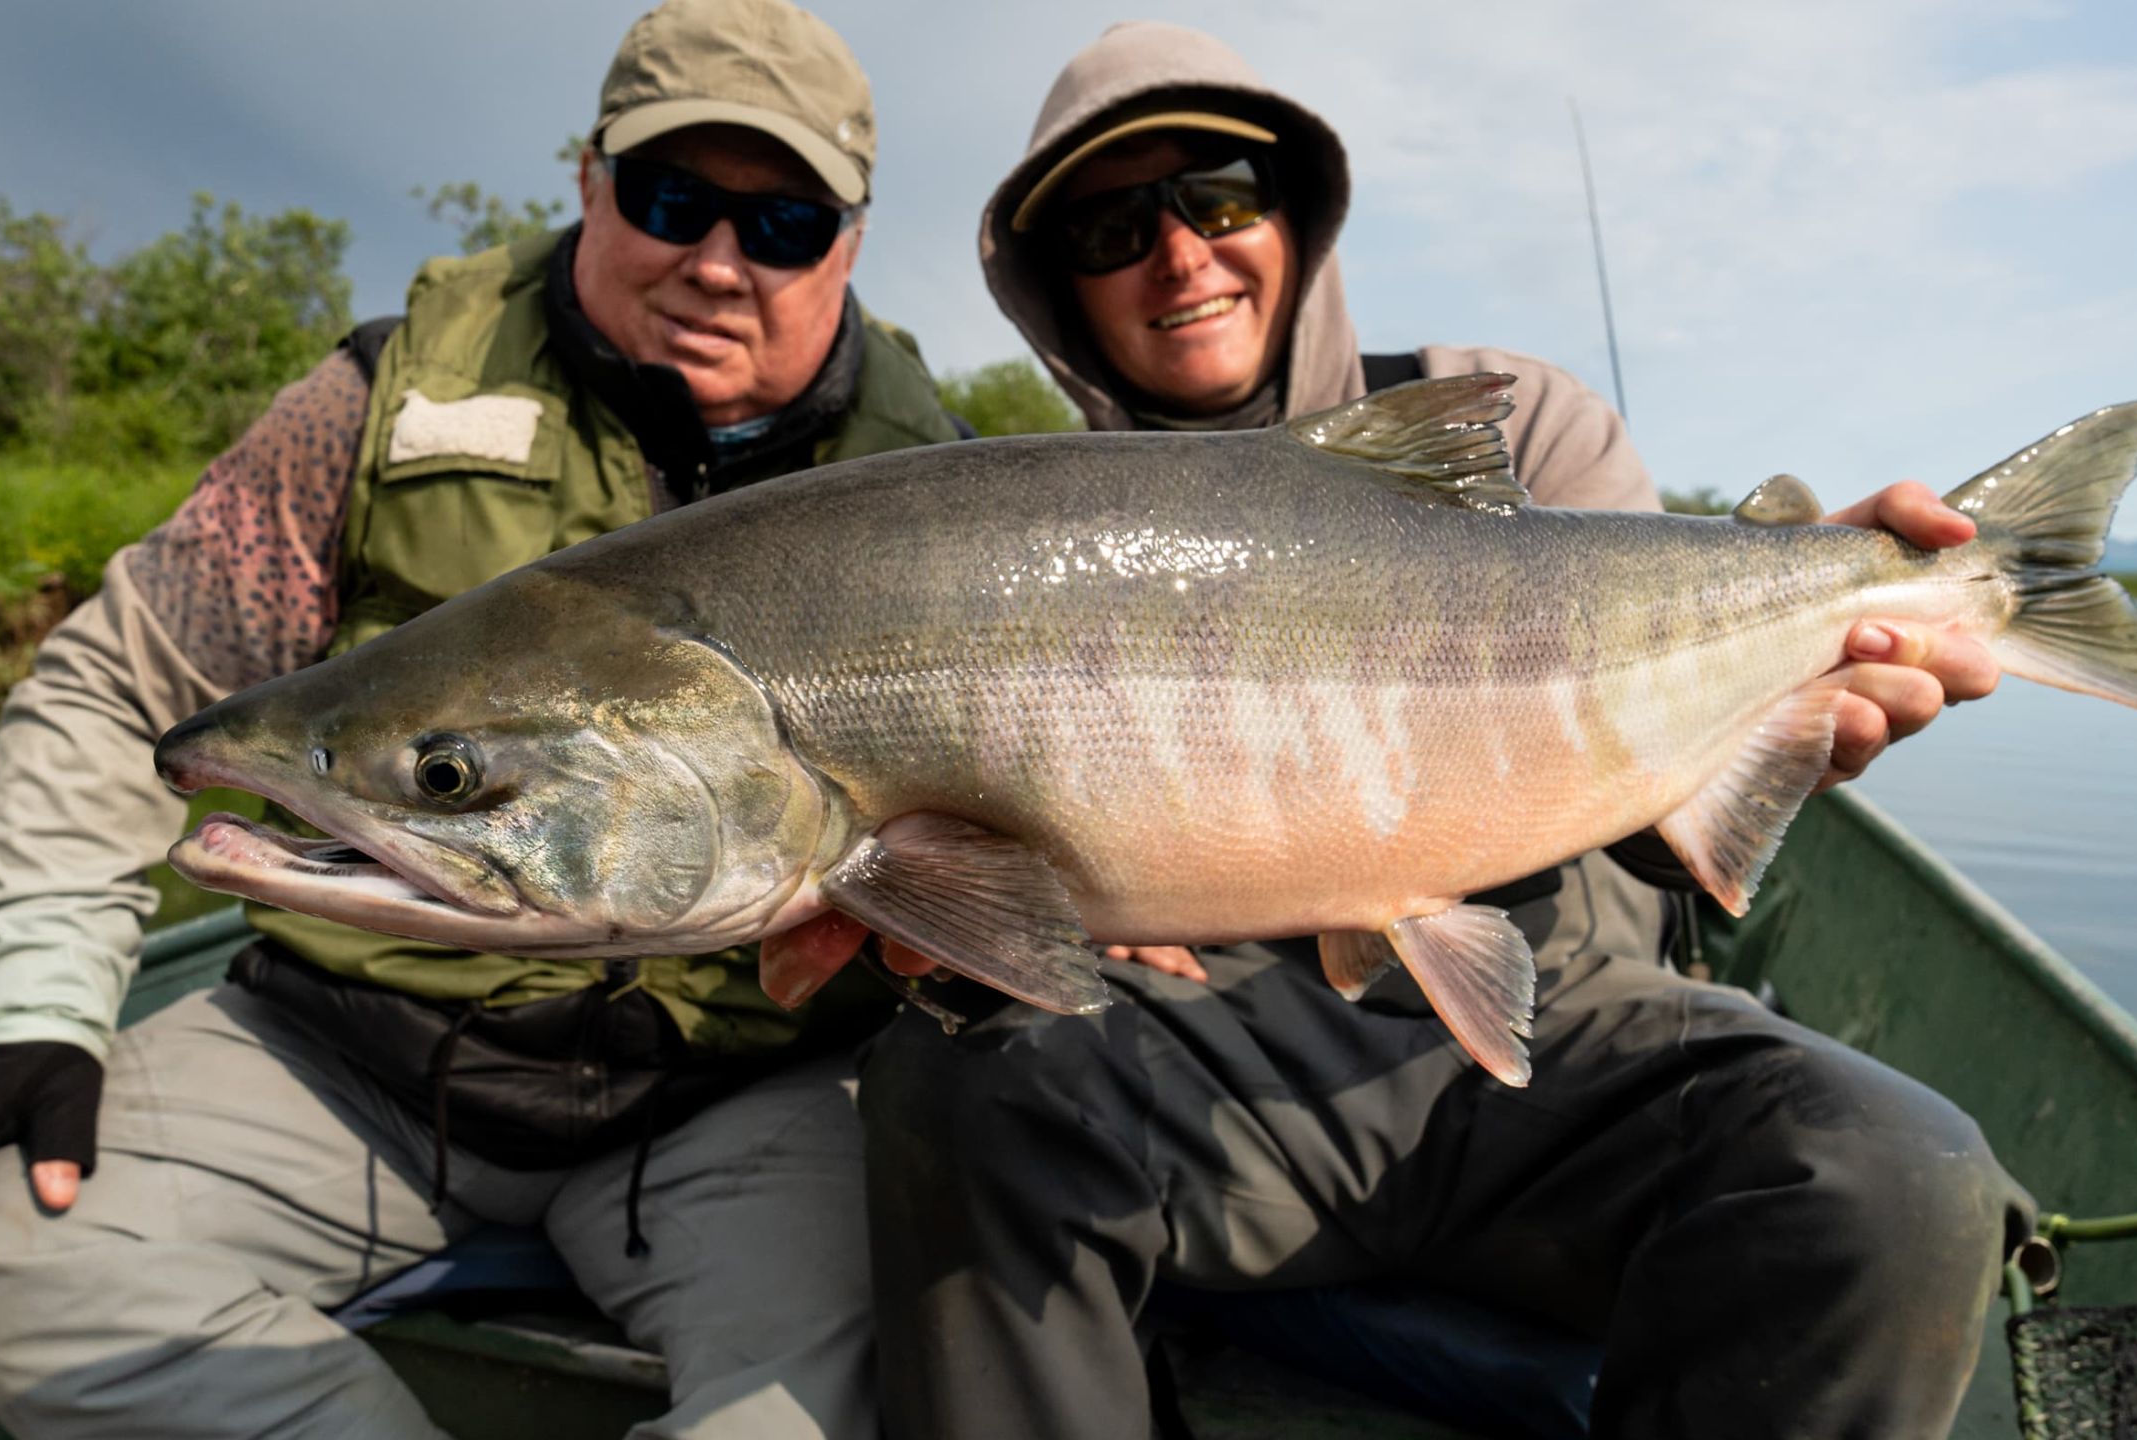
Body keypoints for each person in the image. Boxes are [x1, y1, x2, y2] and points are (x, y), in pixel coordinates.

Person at [858, 22, 2037, 1440]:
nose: (1181, 257)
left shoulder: (1523, 422)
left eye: (1221, 196)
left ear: (1295, 215)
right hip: (1203, 1069)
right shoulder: (1004, 535)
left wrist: (1796, 679)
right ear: (1058, 284)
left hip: (1571, 1039)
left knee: (1894, 1168)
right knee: (955, 1079)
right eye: (1115, 227)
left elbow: (1671, 844)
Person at [0, 2, 958, 1436]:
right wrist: (41, 1008)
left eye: (785, 224)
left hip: (734, 1091)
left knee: (867, 1384)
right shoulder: (378, 402)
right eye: (673, 199)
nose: (719, 263)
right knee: (6, 1254)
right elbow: (118, 689)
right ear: (590, 180)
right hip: (352, 1053)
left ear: (851, 244)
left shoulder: (942, 492)